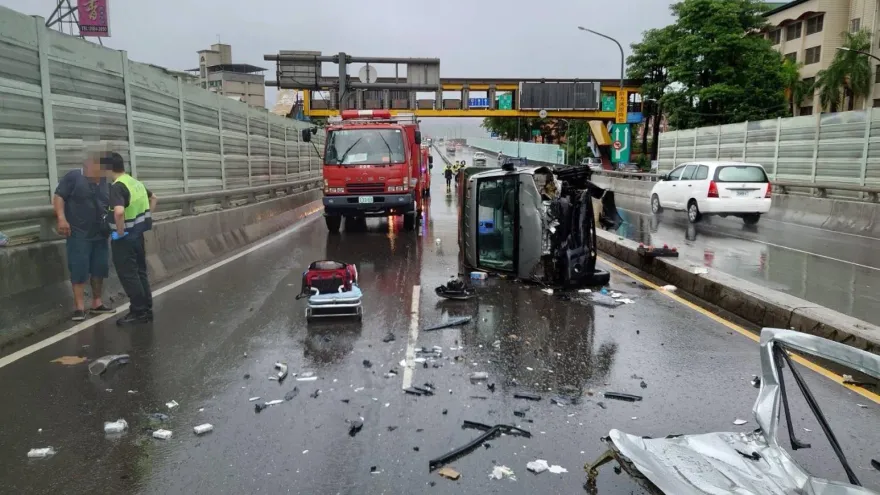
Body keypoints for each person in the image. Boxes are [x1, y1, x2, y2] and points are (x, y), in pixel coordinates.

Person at [53, 152, 115, 321]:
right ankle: (79, 307)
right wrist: (61, 218)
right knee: (79, 268)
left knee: (99, 268)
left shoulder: (104, 181)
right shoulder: (74, 177)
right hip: (78, 233)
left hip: (100, 234)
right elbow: (59, 197)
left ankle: (97, 303)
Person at [103, 152, 158, 326]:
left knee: (129, 275)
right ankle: (146, 308)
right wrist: (146, 217)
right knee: (140, 272)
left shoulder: (117, 186)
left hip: (124, 239)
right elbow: (154, 198)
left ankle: (138, 311)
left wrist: (119, 233)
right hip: (138, 235)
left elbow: (118, 212)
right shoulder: (135, 183)